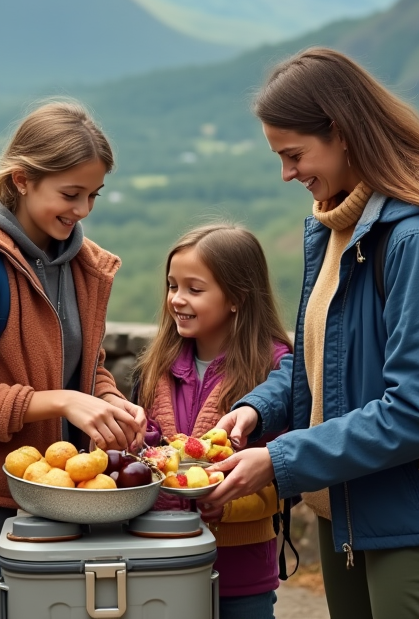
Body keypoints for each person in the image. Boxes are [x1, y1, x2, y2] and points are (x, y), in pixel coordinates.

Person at [201, 48, 419, 619]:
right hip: (350, 505)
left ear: (341, 132)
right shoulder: (345, 226)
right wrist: (257, 411)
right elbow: (323, 359)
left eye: (294, 154)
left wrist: (279, 461)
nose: (287, 173)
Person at [0, 102, 146, 619]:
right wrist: (63, 402)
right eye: (71, 194)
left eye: (93, 195)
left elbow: (84, 365)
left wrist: (107, 401)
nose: (84, 209)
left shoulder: (84, 266)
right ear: (21, 179)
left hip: (72, 508)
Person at [134, 224, 290, 619]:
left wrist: (230, 508)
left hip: (242, 569)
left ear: (237, 297)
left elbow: (288, 478)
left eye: (194, 289)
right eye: (172, 286)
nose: (177, 300)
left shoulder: (274, 369)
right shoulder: (157, 367)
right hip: (162, 559)